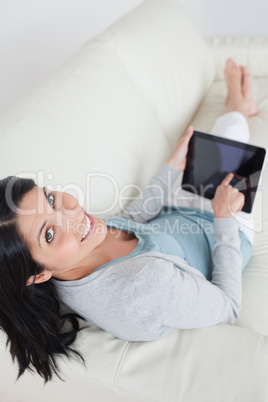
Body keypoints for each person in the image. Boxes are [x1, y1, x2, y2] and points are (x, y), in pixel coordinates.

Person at [0, 59, 258, 382]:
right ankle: (240, 105)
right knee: (233, 139)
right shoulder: (145, 289)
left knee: (214, 148)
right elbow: (229, 306)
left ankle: (237, 110)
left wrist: (169, 172)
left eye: (51, 199)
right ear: (36, 276)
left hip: (175, 217)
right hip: (226, 236)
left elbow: (128, 224)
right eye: (49, 234)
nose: (73, 212)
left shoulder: (70, 261)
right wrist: (225, 219)